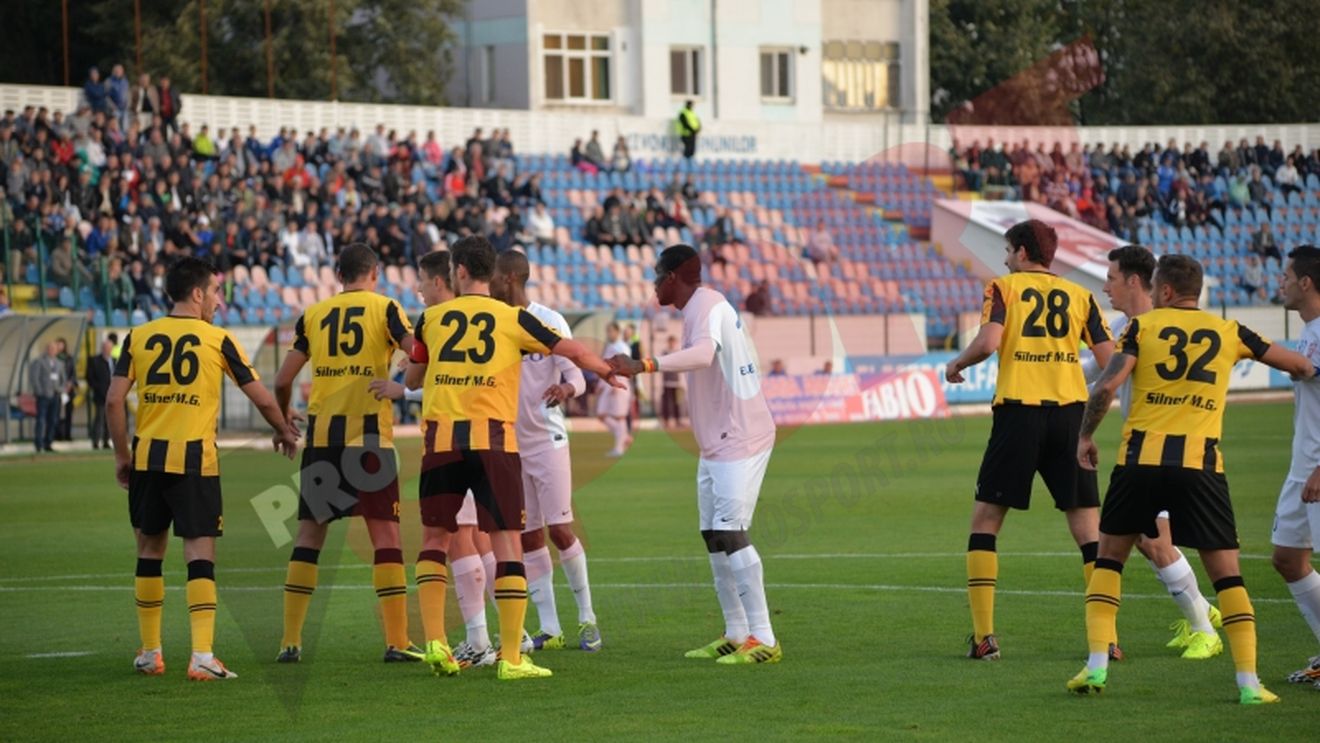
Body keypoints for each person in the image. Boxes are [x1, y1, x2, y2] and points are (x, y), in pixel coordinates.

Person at [1068, 253, 1316, 704]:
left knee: (1108, 563)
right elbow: (1298, 366)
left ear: (1163, 291)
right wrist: (1309, 371)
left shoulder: (1142, 328)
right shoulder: (1229, 330)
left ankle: (1096, 668)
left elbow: (1105, 387)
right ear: (1196, 291)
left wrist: (1085, 436)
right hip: (1201, 467)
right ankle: (1248, 684)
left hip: (1139, 462)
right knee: (1227, 576)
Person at [403, 235, 618, 681]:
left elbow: (413, 376)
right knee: (506, 543)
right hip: (495, 442)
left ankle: (438, 646)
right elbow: (569, 350)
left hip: (442, 440)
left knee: (433, 541)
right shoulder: (512, 318)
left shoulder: (432, 318)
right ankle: (512, 658)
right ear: (487, 272)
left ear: (458, 272)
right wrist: (604, 370)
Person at [106, 256, 298, 681]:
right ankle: (202, 656)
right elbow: (263, 398)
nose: (217, 301)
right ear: (196, 294)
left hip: (148, 460)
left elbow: (114, 400)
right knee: (199, 553)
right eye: (213, 292)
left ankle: (150, 653)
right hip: (196, 461)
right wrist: (283, 428)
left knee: (149, 551)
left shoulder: (139, 336)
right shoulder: (216, 339)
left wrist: (122, 456)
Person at [945, 219, 1114, 661]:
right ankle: (1106, 640)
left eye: (1007, 250)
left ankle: (984, 638)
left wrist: (956, 363)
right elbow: (1111, 361)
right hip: (1071, 418)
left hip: (1019, 416)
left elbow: (988, 342)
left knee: (985, 521)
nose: (1004, 258)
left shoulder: (1004, 288)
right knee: (1088, 531)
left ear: (1021, 252)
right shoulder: (1082, 296)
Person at [609, 244, 782, 665]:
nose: (652, 285)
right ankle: (736, 631)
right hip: (717, 441)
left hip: (740, 436)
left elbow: (704, 355)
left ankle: (765, 637)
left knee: (732, 530)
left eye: (656, 276)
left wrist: (643, 365)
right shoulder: (699, 309)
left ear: (672, 277)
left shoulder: (705, 304)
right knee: (713, 534)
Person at [271, 243, 420, 664]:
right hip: (369, 439)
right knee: (385, 536)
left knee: (308, 537)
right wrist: (406, 386)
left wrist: (283, 418)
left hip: (322, 440)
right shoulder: (386, 307)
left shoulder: (313, 315)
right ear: (374, 272)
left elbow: (283, 379)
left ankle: (290, 642)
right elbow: (416, 351)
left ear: (339, 275)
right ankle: (396, 642)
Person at [1083, 245, 1222, 658]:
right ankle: (1203, 613)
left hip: (1166, 448)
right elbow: (1094, 372)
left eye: (1110, 278)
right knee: (1149, 540)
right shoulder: (1125, 326)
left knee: (1153, 540)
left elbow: (1104, 384)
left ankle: (1205, 628)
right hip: (1147, 450)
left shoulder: (1151, 328)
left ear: (1134, 281)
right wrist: (1046, 371)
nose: (1105, 286)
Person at [489, 250, 601, 652]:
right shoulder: (496, 322)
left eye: (496, 277)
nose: (491, 284)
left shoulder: (550, 321)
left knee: (560, 529)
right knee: (528, 535)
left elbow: (579, 377)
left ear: (511, 279)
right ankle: (551, 628)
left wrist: (566, 388)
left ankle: (588, 619)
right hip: (508, 445)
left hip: (548, 441)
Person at [1268, 245, 1320, 688]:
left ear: (1306, 282)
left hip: (1319, 469)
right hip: (1302, 466)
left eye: (1286, 275)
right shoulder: (1308, 331)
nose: (1280, 282)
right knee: (1287, 558)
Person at [597, 322, 632, 457]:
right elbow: (604, 367)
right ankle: (624, 436)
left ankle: (619, 448)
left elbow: (626, 367)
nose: (609, 334)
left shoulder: (622, 347)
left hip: (618, 384)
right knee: (601, 414)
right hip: (607, 384)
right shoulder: (610, 347)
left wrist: (619, 384)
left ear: (618, 332)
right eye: (608, 331)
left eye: (611, 331)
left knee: (619, 417)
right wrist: (600, 385)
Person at [27, 341, 65, 453]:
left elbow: (63, 378)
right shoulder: (39, 361)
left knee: (53, 420)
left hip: (55, 395)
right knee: (41, 420)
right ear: (46, 349)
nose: (52, 351)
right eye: (50, 348)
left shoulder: (59, 363)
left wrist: (60, 389)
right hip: (43, 396)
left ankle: (48, 443)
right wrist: (39, 391)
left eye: (54, 349)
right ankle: (39, 444)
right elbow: (34, 377)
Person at [86, 339, 116, 450]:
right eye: (105, 347)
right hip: (100, 395)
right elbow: (90, 378)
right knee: (99, 419)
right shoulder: (94, 361)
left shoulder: (114, 360)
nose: (107, 350)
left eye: (109, 348)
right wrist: (99, 389)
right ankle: (95, 441)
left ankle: (106, 441)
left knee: (109, 420)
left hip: (112, 396)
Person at [659, 335, 684, 428]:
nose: (672, 344)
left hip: (675, 382)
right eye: (671, 342)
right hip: (667, 382)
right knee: (666, 402)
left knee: (676, 402)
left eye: (673, 342)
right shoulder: (665, 352)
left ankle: (678, 420)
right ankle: (666, 421)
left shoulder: (677, 353)